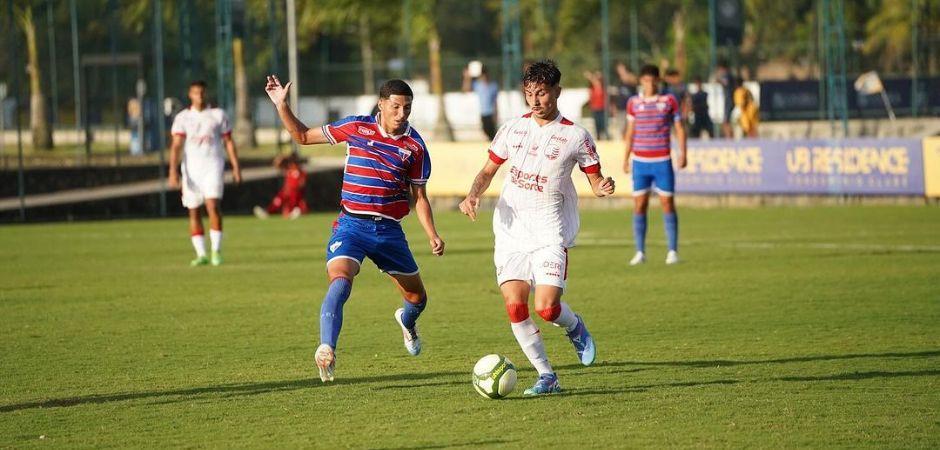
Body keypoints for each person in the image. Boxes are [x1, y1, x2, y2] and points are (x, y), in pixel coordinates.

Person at [264, 75, 445, 383]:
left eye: (407, 108)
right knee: (340, 281)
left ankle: (407, 322)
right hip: (351, 225)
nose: (402, 114)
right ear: (382, 104)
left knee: (417, 299)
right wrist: (282, 106)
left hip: (389, 232)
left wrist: (432, 234)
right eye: (396, 107)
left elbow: (420, 197)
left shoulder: (415, 146)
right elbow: (303, 137)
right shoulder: (356, 127)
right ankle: (326, 348)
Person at [458, 60, 615, 396]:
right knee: (515, 306)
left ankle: (573, 326)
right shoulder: (513, 128)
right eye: (529, 93)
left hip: (549, 230)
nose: (535, 99)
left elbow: (595, 178)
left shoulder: (576, 135)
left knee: (546, 308)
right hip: (511, 230)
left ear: (557, 92)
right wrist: (472, 195)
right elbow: (487, 172)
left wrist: (602, 187)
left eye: (541, 93)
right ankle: (547, 376)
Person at [168, 80, 242, 267]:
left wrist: (236, 167)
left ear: (206, 94)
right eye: (195, 93)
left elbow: (229, 142)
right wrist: (172, 170)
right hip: (191, 170)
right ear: (190, 95)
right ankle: (201, 254)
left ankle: (216, 251)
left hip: (213, 167)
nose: (199, 96)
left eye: (202, 92)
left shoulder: (217, 115)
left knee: (212, 206)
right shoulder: (182, 118)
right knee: (193, 211)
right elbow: (176, 146)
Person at [623, 64, 687, 266]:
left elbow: (679, 128)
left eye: (652, 80)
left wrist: (683, 152)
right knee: (639, 205)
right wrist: (625, 157)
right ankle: (640, 251)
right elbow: (630, 131)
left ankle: (672, 251)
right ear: (641, 81)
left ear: (658, 81)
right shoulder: (633, 103)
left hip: (662, 161)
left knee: (667, 203)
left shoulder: (668, 101)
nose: (649, 84)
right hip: (641, 162)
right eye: (645, 80)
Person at [253, 153, 308, 220]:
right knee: (277, 200)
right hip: (286, 191)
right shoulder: (289, 169)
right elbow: (278, 164)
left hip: (294, 192)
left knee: (291, 206)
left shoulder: (300, 171)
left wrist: (297, 188)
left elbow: (302, 183)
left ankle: (296, 211)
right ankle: (267, 212)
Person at [462, 62, 500, 140]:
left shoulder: (493, 86)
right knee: (486, 131)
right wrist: (467, 77)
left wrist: (496, 115)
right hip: (483, 114)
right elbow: (466, 89)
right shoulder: (478, 85)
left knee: (493, 134)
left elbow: (495, 102)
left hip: (491, 113)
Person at [584, 70, 609, 140]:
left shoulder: (601, 86)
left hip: (602, 108)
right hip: (595, 108)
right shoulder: (592, 87)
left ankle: (605, 136)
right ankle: (599, 137)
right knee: (597, 125)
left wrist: (591, 76)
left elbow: (596, 84)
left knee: (603, 124)